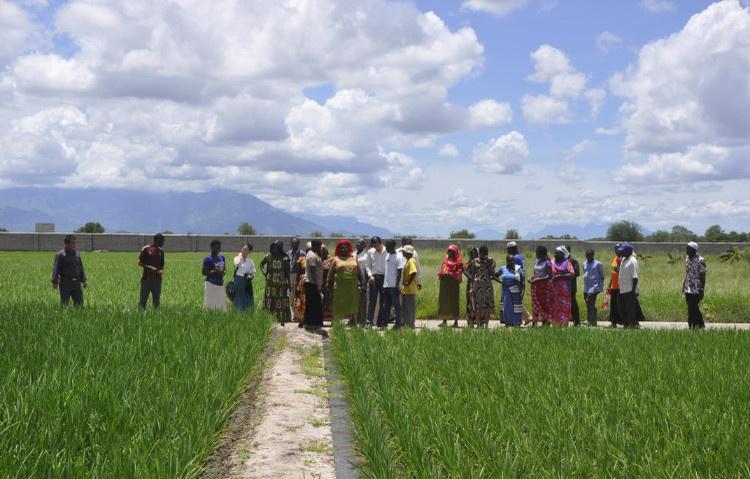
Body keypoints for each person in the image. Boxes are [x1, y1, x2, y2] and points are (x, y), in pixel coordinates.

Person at [326, 239, 361, 324]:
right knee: (338, 303)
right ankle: (336, 322)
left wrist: (363, 283)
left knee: (352, 303)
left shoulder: (354, 258)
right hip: (339, 287)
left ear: (348, 248)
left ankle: (352, 320)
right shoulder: (335, 259)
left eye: (345, 248)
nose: (343, 250)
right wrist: (327, 284)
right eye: (341, 248)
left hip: (352, 287)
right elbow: (330, 274)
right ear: (338, 249)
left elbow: (359, 272)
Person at [260, 240, 291, 324]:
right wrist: (265, 274)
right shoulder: (268, 256)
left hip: (281, 284)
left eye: (278, 247)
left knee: (281, 300)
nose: (276, 248)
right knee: (270, 299)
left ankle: (281, 319)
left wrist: (289, 284)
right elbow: (261, 265)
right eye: (274, 247)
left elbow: (288, 272)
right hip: (270, 284)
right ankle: (270, 319)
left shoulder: (285, 257)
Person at [51, 234, 88, 306]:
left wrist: (84, 280)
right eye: (72, 243)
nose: (74, 245)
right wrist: (55, 281)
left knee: (79, 304)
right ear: (67, 243)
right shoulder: (60, 255)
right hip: (65, 283)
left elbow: (80, 267)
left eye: (75, 242)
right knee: (64, 304)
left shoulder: (77, 254)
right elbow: (56, 269)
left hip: (76, 283)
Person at [466, 245, 496, 327]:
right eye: (481, 254)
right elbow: (472, 275)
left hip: (487, 287)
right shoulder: (474, 261)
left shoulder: (490, 261)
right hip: (478, 287)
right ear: (479, 253)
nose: (482, 256)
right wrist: (471, 287)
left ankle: (486, 325)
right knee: (478, 306)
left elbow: (492, 273)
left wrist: (489, 264)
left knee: (487, 306)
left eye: (484, 254)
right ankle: (478, 325)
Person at [379, 239, 403, 329]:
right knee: (386, 306)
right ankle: (383, 324)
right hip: (386, 285)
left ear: (392, 246)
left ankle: (398, 324)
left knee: (396, 306)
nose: (386, 248)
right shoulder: (387, 255)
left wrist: (397, 285)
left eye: (388, 246)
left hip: (394, 286)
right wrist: (384, 284)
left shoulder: (398, 257)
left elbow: (399, 272)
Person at [438, 245, 463, 328]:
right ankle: (444, 320)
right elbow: (442, 267)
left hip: (453, 284)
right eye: (449, 251)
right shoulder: (446, 259)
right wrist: (441, 273)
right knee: (444, 301)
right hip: (445, 283)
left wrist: (451, 274)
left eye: (452, 251)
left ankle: (456, 322)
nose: (450, 252)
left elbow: (459, 271)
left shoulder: (458, 261)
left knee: (454, 301)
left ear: (455, 252)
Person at [617, 243, 641, 329]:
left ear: (628, 251)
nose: (621, 252)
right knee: (621, 308)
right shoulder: (624, 259)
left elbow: (635, 277)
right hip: (622, 289)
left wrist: (633, 291)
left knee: (630, 309)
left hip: (629, 290)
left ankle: (631, 326)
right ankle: (626, 324)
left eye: (623, 251)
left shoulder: (633, 261)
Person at [683, 241, 707, 329]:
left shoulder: (700, 260)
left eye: (688, 248)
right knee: (694, 308)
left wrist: (702, 289)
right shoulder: (687, 258)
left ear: (693, 250)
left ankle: (691, 327)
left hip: (696, 288)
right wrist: (683, 286)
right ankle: (701, 325)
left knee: (691, 309)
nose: (686, 249)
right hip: (687, 287)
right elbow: (687, 273)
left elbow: (703, 276)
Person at [365, 236, 387, 328]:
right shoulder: (370, 252)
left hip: (384, 278)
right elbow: (367, 265)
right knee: (372, 300)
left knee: (383, 301)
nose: (376, 247)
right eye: (374, 246)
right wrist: (370, 275)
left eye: (377, 245)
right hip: (374, 278)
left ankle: (380, 322)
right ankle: (369, 322)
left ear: (381, 243)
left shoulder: (387, 251)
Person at [549, 246, 575, 326]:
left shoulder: (567, 263)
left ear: (562, 254)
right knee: (553, 306)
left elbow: (572, 274)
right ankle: (554, 324)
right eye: (555, 253)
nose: (555, 254)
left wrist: (560, 276)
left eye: (557, 253)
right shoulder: (551, 262)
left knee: (563, 308)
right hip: (553, 290)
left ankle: (563, 324)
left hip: (564, 291)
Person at [138, 233, 165, 309]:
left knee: (156, 302)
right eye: (162, 240)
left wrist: (161, 271)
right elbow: (140, 263)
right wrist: (151, 268)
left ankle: (155, 318)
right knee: (143, 301)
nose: (163, 242)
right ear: (156, 240)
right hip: (146, 279)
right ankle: (140, 317)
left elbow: (162, 265)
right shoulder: (146, 249)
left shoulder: (161, 252)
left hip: (157, 280)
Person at [498, 254, 525, 327]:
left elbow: (523, 281)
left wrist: (522, 293)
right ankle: (508, 322)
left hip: (516, 292)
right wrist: (501, 281)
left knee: (516, 308)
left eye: (513, 260)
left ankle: (516, 323)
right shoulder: (503, 268)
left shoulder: (518, 269)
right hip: (506, 292)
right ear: (507, 261)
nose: (512, 262)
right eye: (510, 261)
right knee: (507, 307)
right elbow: (495, 275)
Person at [529, 245, 552, 326]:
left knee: (544, 304)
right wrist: (531, 278)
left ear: (542, 253)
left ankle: (545, 322)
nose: (536, 254)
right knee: (535, 304)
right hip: (535, 287)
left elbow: (549, 276)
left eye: (537, 253)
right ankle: (534, 323)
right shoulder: (536, 262)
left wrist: (538, 279)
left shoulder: (548, 263)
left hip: (543, 287)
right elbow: (535, 274)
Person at [304, 239, 324, 328]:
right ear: (315, 246)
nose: (320, 248)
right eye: (319, 246)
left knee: (312, 303)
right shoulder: (312, 256)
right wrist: (317, 284)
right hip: (312, 283)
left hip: (311, 283)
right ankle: (313, 322)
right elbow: (312, 270)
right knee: (315, 304)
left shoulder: (312, 254)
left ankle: (310, 321)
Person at [202, 240, 226, 311]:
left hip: (220, 283)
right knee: (210, 304)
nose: (219, 249)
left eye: (219, 247)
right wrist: (214, 271)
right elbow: (204, 272)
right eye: (217, 247)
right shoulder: (208, 259)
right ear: (212, 248)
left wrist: (223, 272)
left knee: (221, 304)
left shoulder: (222, 258)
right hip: (210, 284)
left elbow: (224, 269)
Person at [582, 248, 604, 326]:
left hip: (594, 287)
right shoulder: (584, 263)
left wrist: (599, 288)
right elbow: (585, 273)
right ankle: (590, 319)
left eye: (589, 256)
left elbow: (602, 276)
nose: (588, 257)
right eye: (587, 256)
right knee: (588, 303)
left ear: (593, 255)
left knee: (591, 303)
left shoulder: (598, 264)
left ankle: (592, 321)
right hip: (586, 287)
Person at [233, 242, 256, 311]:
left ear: (249, 252)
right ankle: (237, 311)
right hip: (238, 280)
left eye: (246, 250)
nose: (244, 251)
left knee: (247, 295)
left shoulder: (250, 261)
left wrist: (251, 276)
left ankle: (248, 311)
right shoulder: (236, 258)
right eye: (243, 249)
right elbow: (236, 264)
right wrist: (240, 257)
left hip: (247, 280)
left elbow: (254, 272)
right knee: (238, 296)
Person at [288, 237, 306, 321]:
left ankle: (298, 315)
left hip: (298, 276)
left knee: (298, 295)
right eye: (293, 243)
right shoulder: (288, 253)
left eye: (296, 243)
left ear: (298, 244)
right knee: (291, 294)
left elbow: (304, 266)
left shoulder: (302, 253)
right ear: (291, 243)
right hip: (289, 275)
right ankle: (293, 315)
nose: (294, 245)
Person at [401, 245, 419, 329]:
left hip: (410, 289)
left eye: (404, 252)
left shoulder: (411, 261)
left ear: (407, 252)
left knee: (410, 307)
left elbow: (414, 272)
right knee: (406, 306)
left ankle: (411, 324)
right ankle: (408, 323)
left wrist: (408, 281)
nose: (402, 253)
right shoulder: (408, 260)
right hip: (407, 289)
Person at [607, 243, 624, 327]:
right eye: (616, 249)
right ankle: (613, 322)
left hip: (620, 287)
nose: (617, 250)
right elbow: (613, 273)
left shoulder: (622, 259)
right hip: (613, 286)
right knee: (613, 305)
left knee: (619, 305)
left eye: (618, 249)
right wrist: (609, 285)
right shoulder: (615, 259)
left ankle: (620, 321)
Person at [565, 244, 581, 326]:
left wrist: (568, 275)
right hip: (563, 287)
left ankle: (577, 321)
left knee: (573, 303)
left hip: (571, 286)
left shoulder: (573, 260)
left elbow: (577, 273)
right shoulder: (562, 260)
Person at [463, 247, 479, 327]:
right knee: (470, 302)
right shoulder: (469, 263)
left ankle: (478, 320)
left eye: (475, 253)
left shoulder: (480, 262)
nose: (473, 254)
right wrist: (471, 277)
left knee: (478, 302)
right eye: (472, 253)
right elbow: (464, 270)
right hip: (470, 284)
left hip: (478, 284)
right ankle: (470, 321)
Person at [355, 238, 369, 325]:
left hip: (362, 282)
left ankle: (362, 321)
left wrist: (364, 283)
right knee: (354, 302)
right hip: (353, 281)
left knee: (362, 302)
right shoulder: (352, 254)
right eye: (357, 243)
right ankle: (353, 320)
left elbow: (367, 270)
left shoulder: (366, 257)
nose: (357, 244)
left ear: (364, 246)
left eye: (360, 243)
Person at [321, 245, 334, 321]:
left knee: (329, 301)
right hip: (321, 284)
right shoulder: (320, 258)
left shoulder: (331, 259)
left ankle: (331, 320)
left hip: (328, 284)